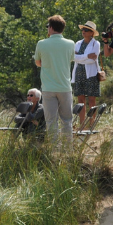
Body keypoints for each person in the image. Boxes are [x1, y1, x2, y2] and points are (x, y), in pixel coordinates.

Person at [34, 15, 76, 148]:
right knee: (67, 120)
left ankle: (53, 148)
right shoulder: (71, 43)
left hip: (48, 87)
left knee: (51, 121)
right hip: (65, 87)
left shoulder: (41, 43)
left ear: (51, 28)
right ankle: (67, 148)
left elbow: (38, 62)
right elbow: (70, 60)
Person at [71, 21, 101, 130]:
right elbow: (74, 57)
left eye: (86, 30)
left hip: (91, 74)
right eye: (83, 29)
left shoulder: (96, 44)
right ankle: (82, 125)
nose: (83, 31)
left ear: (92, 33)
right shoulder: (78, 43)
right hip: (79, 72)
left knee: (92, 99)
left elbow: (92, 60)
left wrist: (81, 57)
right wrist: (87, 56)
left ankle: (92, 124)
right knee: (80, 99)